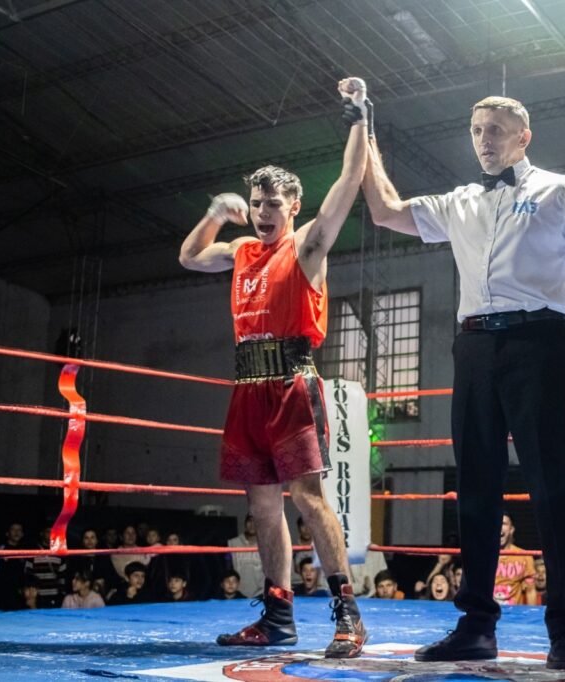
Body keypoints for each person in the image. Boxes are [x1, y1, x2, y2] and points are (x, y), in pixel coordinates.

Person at [362, 93, 565, 672]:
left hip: (537, 343)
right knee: (475, 489)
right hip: (473, 347)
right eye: (476, 130)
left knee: (554, 486)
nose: (484, 140)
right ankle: (476, 626)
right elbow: (386, 210)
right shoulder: (459, 201)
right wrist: (363, 132)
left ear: (523, 137)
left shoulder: (560, 191)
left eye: (495, 129)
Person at [178, 76, 371, 658]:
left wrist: (360, 116)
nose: (264, 212)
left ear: (293, 207)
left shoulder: (307, 245)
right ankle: (278, 616)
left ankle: (348, 614)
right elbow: (190, 256)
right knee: (262, 506)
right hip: (247, 387)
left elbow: (349, 181)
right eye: (256, 203)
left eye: (274, 204)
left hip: (291, 382)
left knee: (308, 498)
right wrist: (215, 213)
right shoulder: (239, 251)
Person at [493, 514, 539, 607]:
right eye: (496, 523)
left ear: (511, 529)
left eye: (503, 523)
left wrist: (531, 613)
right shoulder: (483, 556)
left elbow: (530, 590)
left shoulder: (524, 556)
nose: (499, 527)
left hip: (514, 613)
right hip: (489, 612)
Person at [227, 514, 266, 599]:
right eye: (249, 521)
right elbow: (228, 567)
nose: (252, 524)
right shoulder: (233, 543)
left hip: (260, 592)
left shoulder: (266, 544)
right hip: (238, 592)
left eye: (255, 521)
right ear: (245, 523)